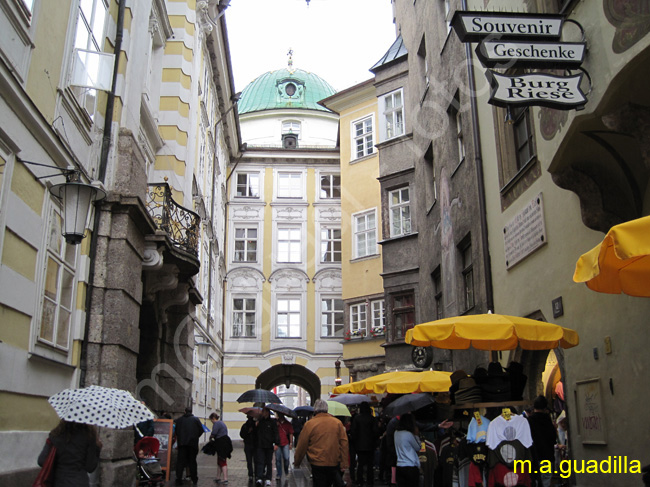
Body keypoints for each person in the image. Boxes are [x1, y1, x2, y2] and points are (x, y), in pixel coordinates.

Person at [294, 399, 349, 487]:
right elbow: (344, 443)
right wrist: (344, 463)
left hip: (317, 462)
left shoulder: (309, 424)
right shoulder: (337, 423)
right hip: (333, 462)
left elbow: (302, 445)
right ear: (327, 409)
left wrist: (297, 461)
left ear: (315, 410)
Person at [37, 420, 102, 487]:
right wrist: (97, 448)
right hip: (79, 482)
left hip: (59, 481)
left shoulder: (55, 435)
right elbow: (90, 467)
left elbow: (41, 461)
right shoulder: (89, 436)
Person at [527, 396, 557, 487]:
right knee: (546, 481)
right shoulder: (548, 420)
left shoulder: (529, 421)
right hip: (547, 456)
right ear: (545, 407)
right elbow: (553, 439)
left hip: (534, 457)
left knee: (535, 481)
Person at [174, 406, 205, 486]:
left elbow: (176, 431)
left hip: (182, 444)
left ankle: (179, 479)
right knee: (192, 462)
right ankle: (194, 478)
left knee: (180, 462)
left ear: (185, 411)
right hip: (192, 444)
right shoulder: (195, 419)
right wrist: (195, 436)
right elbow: (201, 430)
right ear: (191, 412)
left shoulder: (179, 420)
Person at [351, 402, 379, 487]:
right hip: (370, 445)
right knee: (370, 465)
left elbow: (354, 432)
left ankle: (360, 480)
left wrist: (354, 442)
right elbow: (375, 432)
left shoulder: (357, 418)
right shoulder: (372, 419)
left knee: (360, 464)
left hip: (359, 445)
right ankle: (370, 481)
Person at [255, 407, 280, 487]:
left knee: (269, 462)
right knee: (260, 461)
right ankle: (259, 477)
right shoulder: (260, 422)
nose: (262, 413)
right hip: (260, 444)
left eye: (264, 411)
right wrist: (256, 425)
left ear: (267, 412)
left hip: (269, 445)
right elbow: (256, 433)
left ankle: (268, 478)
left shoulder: (272, 422)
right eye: (262, 411)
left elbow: (275, 432)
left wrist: (276, 443)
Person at [393, 414, 420, 487]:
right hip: (410, 465)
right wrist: (416, 435)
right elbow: (417, 447)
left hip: (400, 465)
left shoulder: (396, 433)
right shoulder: (409, 434)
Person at [209, 412, 232, 484]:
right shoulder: (222, 423)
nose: (212, 422)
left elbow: (214, 433)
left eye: (211, 420)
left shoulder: (216, 424)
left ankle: (225, 479)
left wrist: (210, 437)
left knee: (222, 461)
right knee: (220, 460)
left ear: (213, 418)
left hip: (221, 443)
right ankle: (218, 477)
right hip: (225, 442)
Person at [274, 412, 294, 482]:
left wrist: (291, 443)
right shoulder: (275, 423)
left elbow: (291, 433)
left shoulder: (288, 424)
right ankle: (279, 474)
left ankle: (286, 471)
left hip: (285, 443)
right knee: (278, 459)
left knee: (286, 458)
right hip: (278, 443)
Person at [241, 411, 258, 482]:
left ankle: (253, 474)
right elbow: (242, 434)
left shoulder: (255, 425)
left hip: (253, 445)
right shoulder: (246, 426)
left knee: (252, 461)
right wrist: (248, 431)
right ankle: (252, 474)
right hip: (250, 445)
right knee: (251, 461)